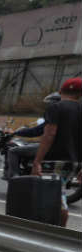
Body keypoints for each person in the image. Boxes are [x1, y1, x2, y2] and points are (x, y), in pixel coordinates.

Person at [32, 78, 81, 227]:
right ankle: (56, 229)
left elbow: (49, 134)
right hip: (72, 162)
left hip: (53, 159)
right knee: (56, 193)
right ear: (79, 94)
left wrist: (37, 161)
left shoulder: (55, 107)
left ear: (60, 91)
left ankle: (57, 230)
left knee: (50, 198)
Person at [3, 93, 60, 180]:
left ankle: (14, 177)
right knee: (30, 145)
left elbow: (37, 131)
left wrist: (17, 132)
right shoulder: (68, 116)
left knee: (13, 151)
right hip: (63, 148)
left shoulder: (53, 117)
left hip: (50, 147)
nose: (47, 106)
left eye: (49, 103)